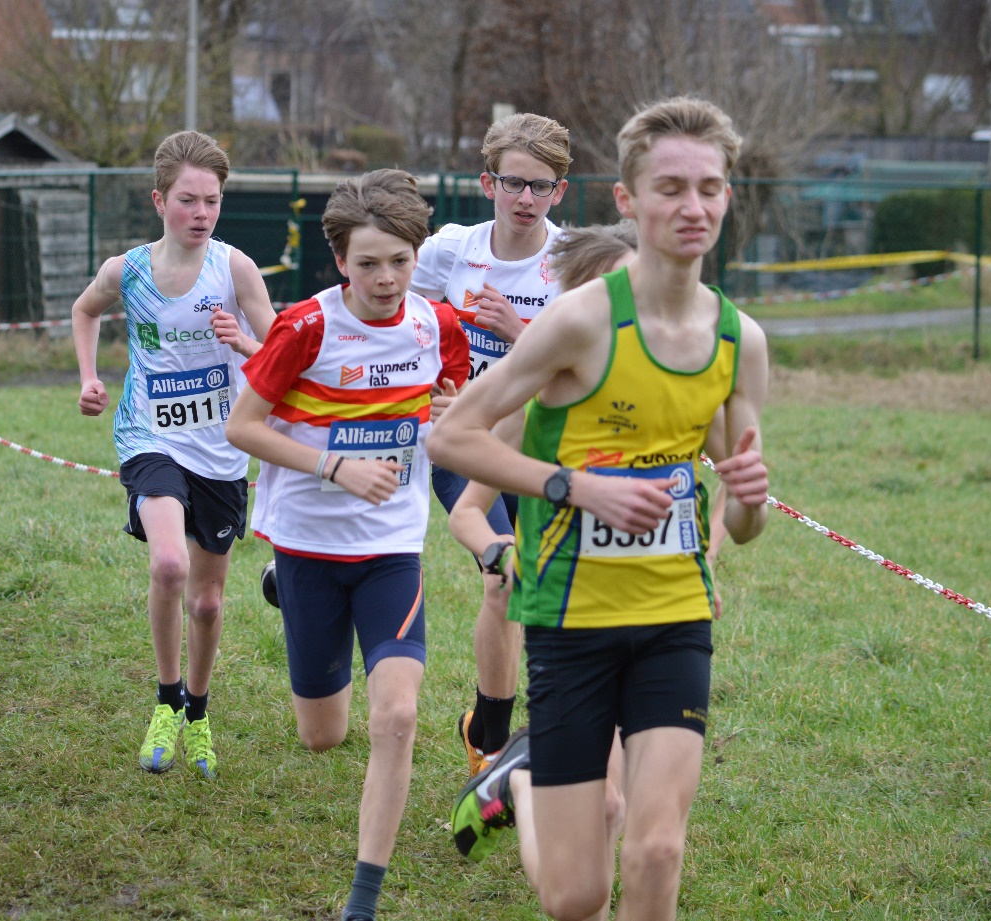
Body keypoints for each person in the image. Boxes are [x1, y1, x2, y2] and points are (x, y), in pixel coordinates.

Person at [432, 97, 770, 921]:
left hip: (674, 617)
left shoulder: (740, 340)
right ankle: (515, 774)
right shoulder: (579, 322)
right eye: (670, 188)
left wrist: (751, 501)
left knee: (656, 847)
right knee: (575, 896)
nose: (693, 207)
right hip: (571, 623)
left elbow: (741, 511)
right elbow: (452, 438)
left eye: (710, 188)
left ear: (728, 197)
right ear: (626, 198)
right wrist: (573, 486)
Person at [225, 169, 469, 921]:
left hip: (393, 548)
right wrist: (334, 463)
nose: (387, 278)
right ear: (341, 262)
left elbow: (452, 409)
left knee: (396, 717)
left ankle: (362, 899)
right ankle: (280, 586)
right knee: (322, 735)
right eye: (369, 263)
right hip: (307, 543)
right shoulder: (305, 328)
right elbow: (244, 427)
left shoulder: (439, 326)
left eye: (400, 260)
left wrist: (453, 412)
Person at [72, 130, 275, 779]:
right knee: (167, 564)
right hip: (150, 437)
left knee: (209, 602)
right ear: (159, 199)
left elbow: (280, 351)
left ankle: (197, 711)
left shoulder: (236, 268)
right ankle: (165, 702)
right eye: (188, 200)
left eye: (212, 200)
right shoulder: (126, 270)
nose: (202, 213)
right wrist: (88, 377)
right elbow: (85, 309)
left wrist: (242, 342)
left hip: (221, 448)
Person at [411, 112, 571, 777]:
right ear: (488, 183)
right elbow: (398, 322)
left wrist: (518, 335)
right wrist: (435, 389)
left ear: (560, 190)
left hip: (538, 449)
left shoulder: (571, 264)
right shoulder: (450, 250)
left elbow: (580, 368)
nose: (526, 199)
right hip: (466, 440)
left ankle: (487, 725)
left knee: (533, 590)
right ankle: (492, 742)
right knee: (502, 573)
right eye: (514, 183)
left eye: (541, 186)